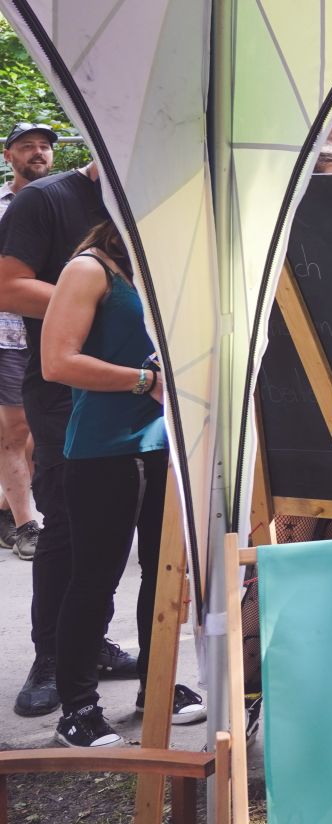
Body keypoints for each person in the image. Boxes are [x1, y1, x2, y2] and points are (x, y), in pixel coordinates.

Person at [41, 219, 206, 747]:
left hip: (169, 448)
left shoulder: (164, 271)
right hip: (104, 452)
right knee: (95, 581)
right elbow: (56, 362)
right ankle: (78, 708)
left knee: (164, 580)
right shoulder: (90, 269)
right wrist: (147, 381)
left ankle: (154, 686)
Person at [0, 158, 139, 718]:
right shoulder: (46, 200)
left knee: (117, 526)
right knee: (67, 522)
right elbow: (8, 286)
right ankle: (51, 657)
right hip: (64, 388)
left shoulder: (158, 196)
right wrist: (91, 298)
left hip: (139, 391)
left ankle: (90, 646)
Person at [0, 122, 55, 561]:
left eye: (44, 146)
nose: (37, 153)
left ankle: (7, 509)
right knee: (16, 429)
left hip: (51, 329)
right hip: (7, 333)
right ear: (9, 156)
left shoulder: (59, 201)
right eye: (27, 147)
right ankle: (25, 524)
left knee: (37, 428)